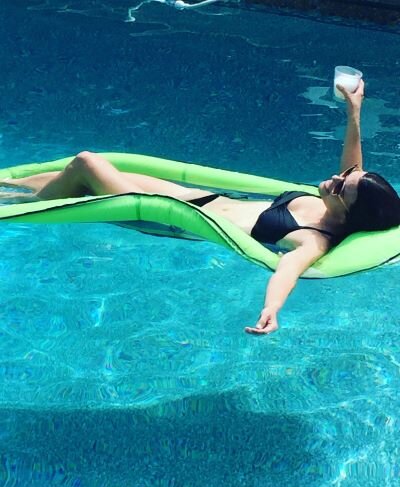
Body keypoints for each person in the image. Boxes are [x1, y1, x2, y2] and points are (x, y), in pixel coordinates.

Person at [2, 80, 400, 334]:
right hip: (195, 198)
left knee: (87, 163)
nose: (334, 178)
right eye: (345, 176)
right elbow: (354, 168)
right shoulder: (337, 199)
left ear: (347, 213)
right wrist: (354, 111)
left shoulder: (314, 239)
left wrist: (271, 309)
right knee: (75, 176)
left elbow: (287, 271)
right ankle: (10, 187)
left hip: (166, 215)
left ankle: (22, 205)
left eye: (340, 187)